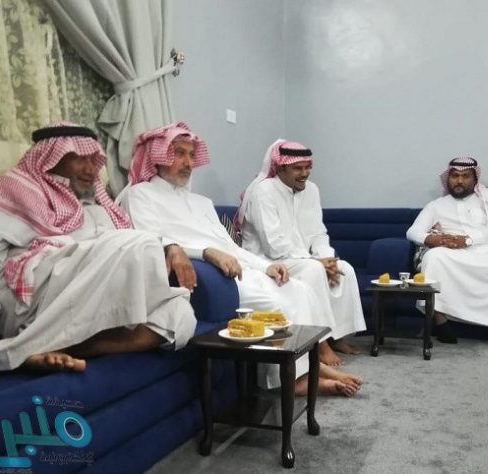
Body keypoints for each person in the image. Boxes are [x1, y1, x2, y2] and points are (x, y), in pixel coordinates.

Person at [119, 123, 362, 396]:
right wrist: (206, 253)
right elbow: (153, 242)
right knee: (277, 305)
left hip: (240, 268)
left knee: (300, 290)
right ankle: (292, 380)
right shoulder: (140, 195)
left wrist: (266, 266)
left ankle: (308, 367)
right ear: (157, 156)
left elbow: (229, 246)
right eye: (179, 154)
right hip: (214, 275)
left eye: (191, 155)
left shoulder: (200, 202)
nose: (188, 163)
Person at [0, 122, 197, 372]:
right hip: (32, 295)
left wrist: (168, 247)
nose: (91, 169)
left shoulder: (98, 207)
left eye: (94, 160)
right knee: (141, 243)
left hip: (90, 295)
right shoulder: (15, 190)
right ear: (51, 157)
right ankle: (26, 345)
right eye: (80, 158)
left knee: (180, 313)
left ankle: (73, 346)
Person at [236, 139, 367, 361]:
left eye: (308, 167)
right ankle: (320, 343)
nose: (304, 173)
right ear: (280, 167)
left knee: (344, 268)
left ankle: (337, 336)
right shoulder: (263, 191)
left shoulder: (312, 190)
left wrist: (327, 258)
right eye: (297, 168)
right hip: (268, 260)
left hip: (299, 258)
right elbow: (273, 243)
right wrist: (316, 262)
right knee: (313, 270)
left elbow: (318, 232)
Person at [406, 156, 488, 350]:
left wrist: (469, 239)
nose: (459, 181)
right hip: (455, 253)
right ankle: (441, 324)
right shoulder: (436, 205)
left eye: (465, 176)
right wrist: (432, 239)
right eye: (455, 176)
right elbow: (413, 231)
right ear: (448, 178)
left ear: (475, 179)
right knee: (433, 258)